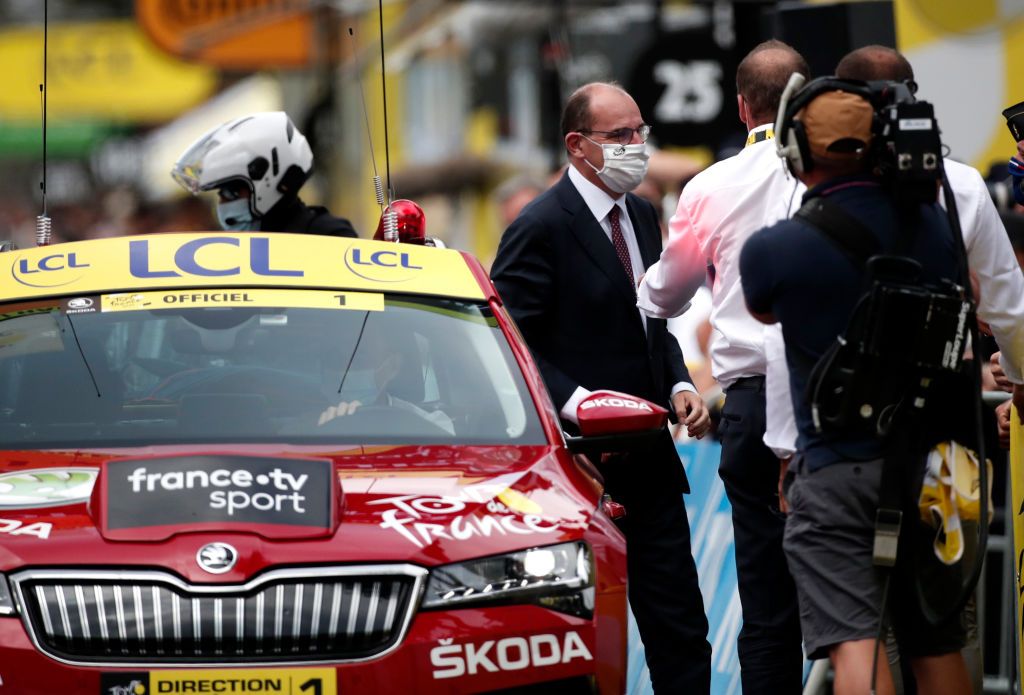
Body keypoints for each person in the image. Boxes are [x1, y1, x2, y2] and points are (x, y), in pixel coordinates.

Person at [740, 80, 971, 695]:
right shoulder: (935, 226)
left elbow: (762, 314)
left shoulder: (777, 248)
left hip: (838, 468)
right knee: (936, 642)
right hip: (934, 467)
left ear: (795, 151)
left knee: (857, 646)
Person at [490, 81, 712, 692]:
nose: (636, 145)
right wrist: (574, 402)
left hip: (651, 461)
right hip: (578, 471)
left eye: (639, 131)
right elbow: (512, 341)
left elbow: (652, 320)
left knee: (681, 630)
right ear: (577, 145)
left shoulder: (640, 214)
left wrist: (677, 384)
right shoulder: (539, 225)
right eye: (620, 136)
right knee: (576, 642)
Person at [634, 39, 810, 693]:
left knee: (767, 608)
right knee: (857, 602)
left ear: (740, 107)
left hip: (755, 407)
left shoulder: (710, 186)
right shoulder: (841, 177)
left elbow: (662, 295)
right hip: (838, 403)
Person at [171, 111, 358, 237]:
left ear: (270, 180)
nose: (222, 204)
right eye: (220, 193)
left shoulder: (328, 237)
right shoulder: (229, 254)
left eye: (231, 192)